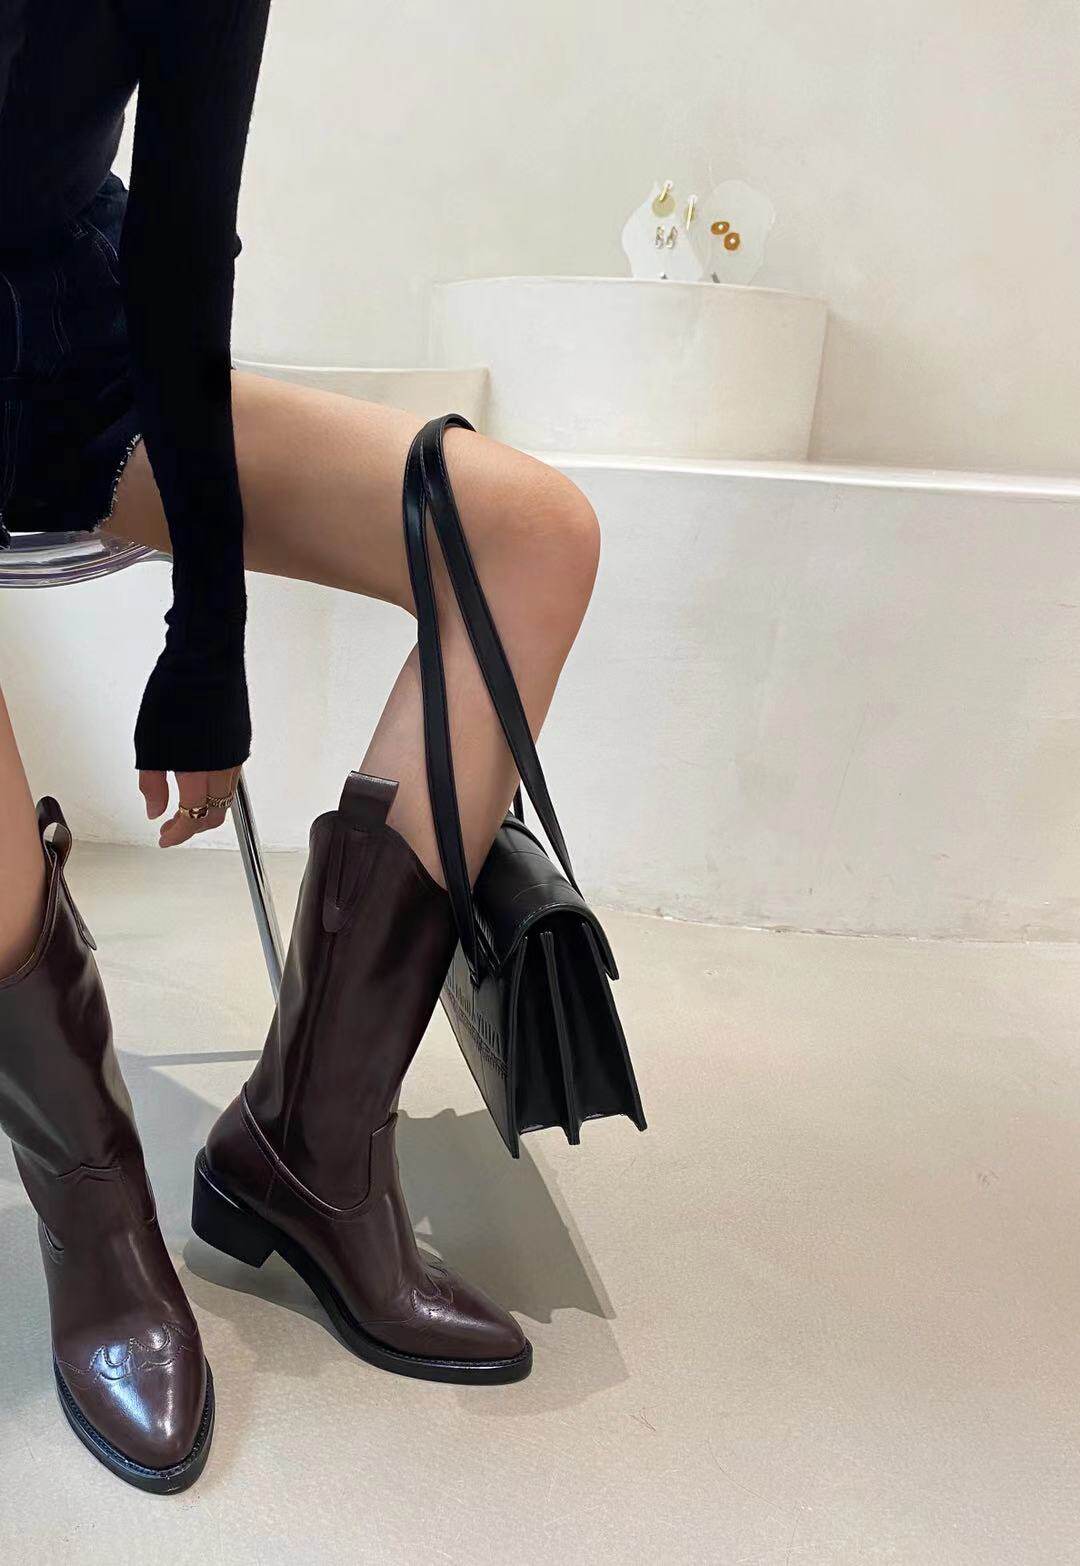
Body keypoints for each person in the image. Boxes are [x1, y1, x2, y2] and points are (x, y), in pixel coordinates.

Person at [0, 0, 600, 1493]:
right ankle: (98, 1217)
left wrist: (210, 631)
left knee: (529, 537)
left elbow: (179, 246)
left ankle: (311, 1150)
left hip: (62, 352)